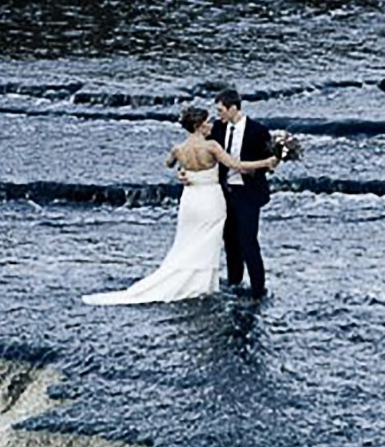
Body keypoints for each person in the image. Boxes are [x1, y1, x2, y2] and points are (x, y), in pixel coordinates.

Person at [85, 107, 277, 306]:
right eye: (207, 122)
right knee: (208, 241)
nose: (211, 125)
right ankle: (200, 285)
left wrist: (184, 170)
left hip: (190, 200)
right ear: (198, 126)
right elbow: (236, 166)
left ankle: (185, 277)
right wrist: (266, 162)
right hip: (210, 200)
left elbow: (169, 163)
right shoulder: (211, 146)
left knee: (187, 240)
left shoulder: (179, 148)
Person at [212, 86, 278, 299]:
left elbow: (270, 163)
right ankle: (234, 283)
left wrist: (269, 163)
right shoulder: (218, 128)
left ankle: (258, 289)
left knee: (248, 240)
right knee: (230, 241)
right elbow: (204, 153)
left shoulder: (258, 131)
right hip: (224, 192)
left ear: (233, 108)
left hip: (248, 193)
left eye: (221, 110)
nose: (218, 115)